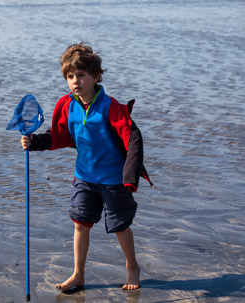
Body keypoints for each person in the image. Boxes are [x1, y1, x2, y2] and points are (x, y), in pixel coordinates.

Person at [21, 42, 154, 291]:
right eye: (70, 76)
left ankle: (132, 267)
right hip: (84, 176)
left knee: (120, 225)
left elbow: (132, 137)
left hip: (114, 178)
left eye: (81, 75)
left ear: (95, 76)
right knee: (80, 223)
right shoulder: (67, 105)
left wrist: (130, 175)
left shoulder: (109, 106)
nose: (75, 81)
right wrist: (34, 142)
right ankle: (78, 274)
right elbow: (59, 136)